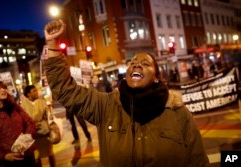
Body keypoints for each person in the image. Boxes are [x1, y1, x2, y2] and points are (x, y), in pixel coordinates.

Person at [43, 19, 209, 167]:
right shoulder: (106, 106)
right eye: (133, 62)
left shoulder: (178, 113)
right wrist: (53, 45)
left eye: (145, 63)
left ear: (157, 78)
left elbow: (198, 160)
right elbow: (65, 90)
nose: (136, 65)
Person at [0, 81, 36, 167]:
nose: (3, 90)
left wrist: (25, 140)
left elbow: (30, 123)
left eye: (4, 88)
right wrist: (4, 156)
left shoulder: (15, 107)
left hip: (27, 155)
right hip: (8, 162)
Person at [20, 85, 56, 167]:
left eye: (36, 90)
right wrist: (31, 125)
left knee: (50, 153)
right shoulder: (23, 106)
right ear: (28, 94)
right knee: (37, 157)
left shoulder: (42, 102)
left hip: (44, 132)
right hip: (33, 135)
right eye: (34, 91)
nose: (37, 92)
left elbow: (48, 116)